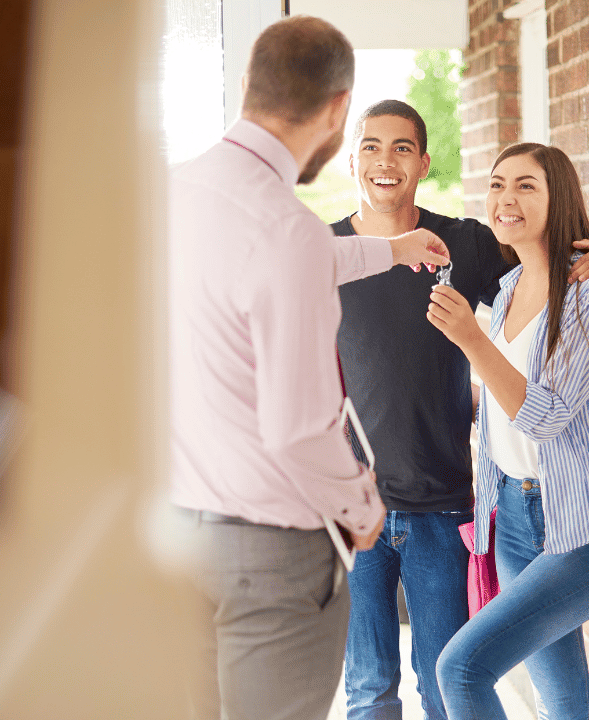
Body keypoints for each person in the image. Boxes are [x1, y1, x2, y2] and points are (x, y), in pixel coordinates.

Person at [166, 17, 453, 720]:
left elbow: (282, 265)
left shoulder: (171, 193)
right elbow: (298, 429)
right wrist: (363, 506)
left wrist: (393, 249)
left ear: (246, 88)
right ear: (336, 111)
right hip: (272, 559)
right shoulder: (285, 228)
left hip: (176, 537)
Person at [333, 103, 589, 720]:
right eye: (370, 147)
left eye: (400, 148)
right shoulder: (326, 254)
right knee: (368, 688)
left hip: (456, 506)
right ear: (352, 159)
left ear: (423, 162)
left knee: (449, 679)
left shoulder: (466, 247)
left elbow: (554, 275)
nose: (384, 161)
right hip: (358, 505)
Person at [425, 143, 589, 720]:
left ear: (559, 199)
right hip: (515, 518)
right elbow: (501, 404)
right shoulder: (507, 290)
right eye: (497, 185)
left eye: (526, 186)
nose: (505, 198)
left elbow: (545, 415)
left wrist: (471, 340)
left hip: (588, 525)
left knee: (462, 668)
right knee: (562, 696)